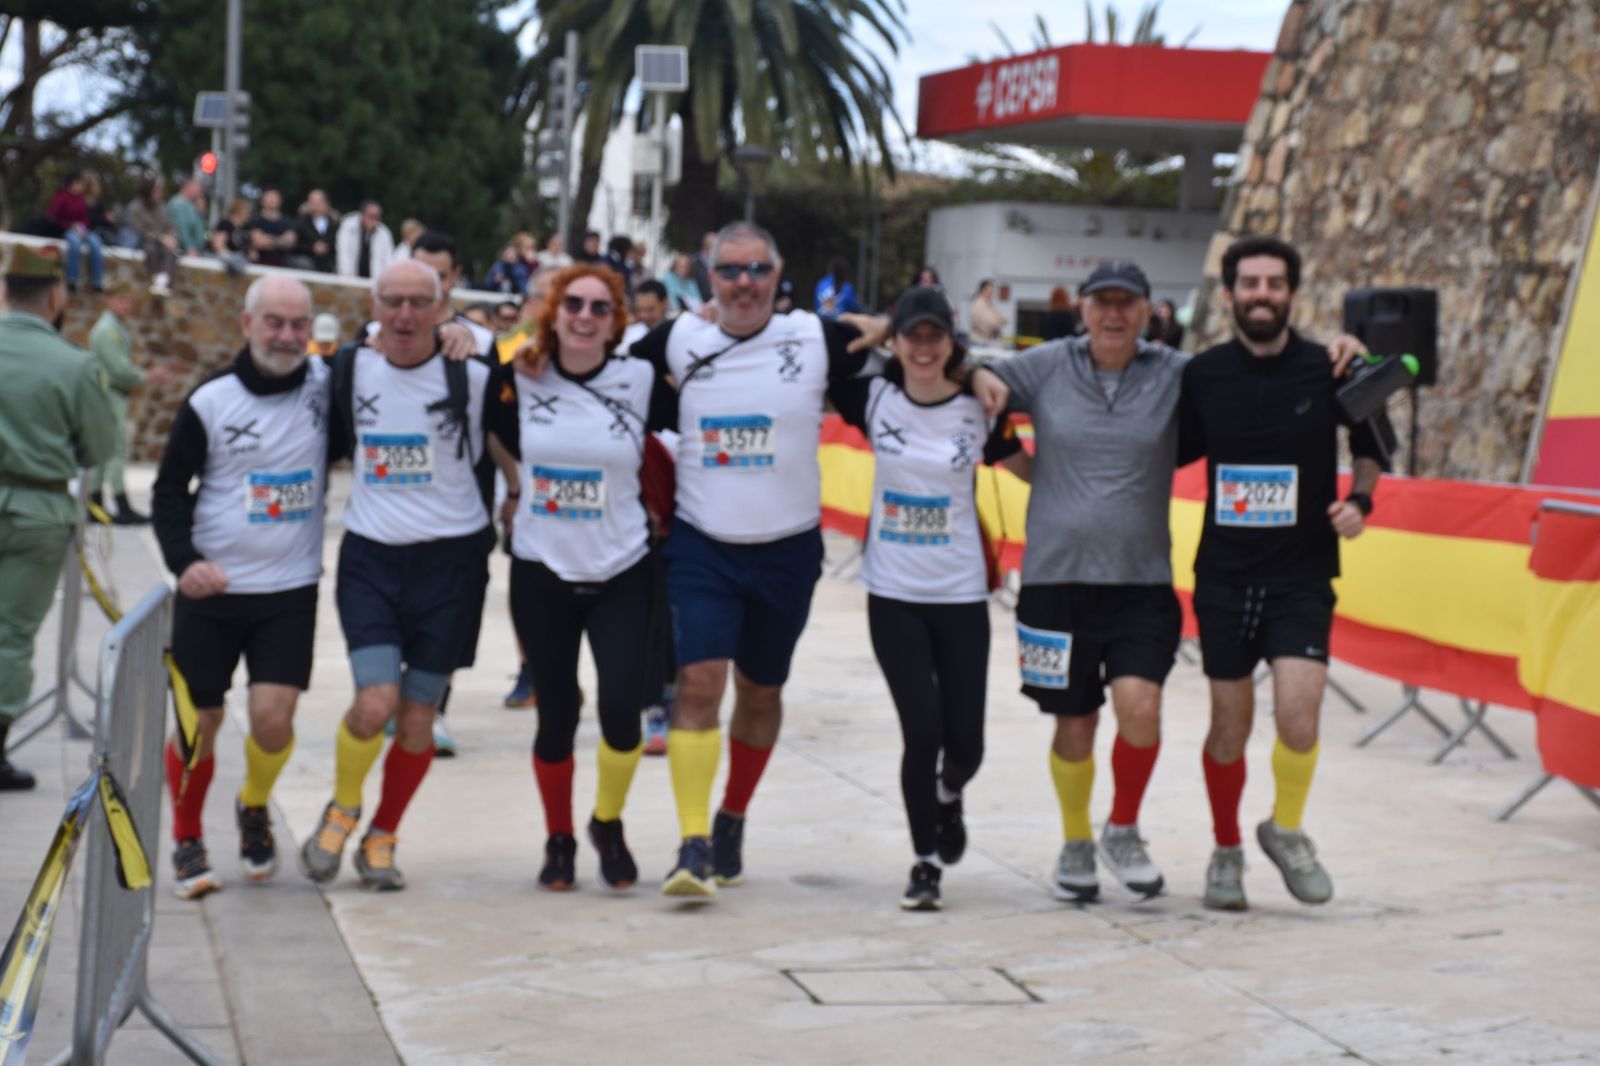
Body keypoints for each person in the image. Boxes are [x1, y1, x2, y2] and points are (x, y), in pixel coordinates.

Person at [626, 220, 883, 899]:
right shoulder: (678, 338)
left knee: (761, 691)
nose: (744, 284)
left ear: (779, 274)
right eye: (730, 271)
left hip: (788, 550)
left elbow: (916, 342)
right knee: (701, 683)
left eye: (756, 270)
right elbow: (588, 369)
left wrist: (965, 366)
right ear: (707, 278)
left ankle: (732, 814)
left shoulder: (815, 337)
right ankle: (692, 843)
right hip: (703, 545)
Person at [969, 261, 1187, 904]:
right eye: (1101, 303)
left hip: (1142, 580)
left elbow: (1244, 384)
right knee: (1075, 721)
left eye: (1127, 302)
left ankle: (1122, 828)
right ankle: (1075, 841)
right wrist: (1013, 448)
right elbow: (977, 380)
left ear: (1149, 312)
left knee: (1140, 708)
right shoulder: (1048, 364)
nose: (1113, 314)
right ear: (1082, 310)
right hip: (1055, 579)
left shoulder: (1174, 373)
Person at [1178, 236, 1383, 911]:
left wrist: (1360, 502)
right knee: (1228, 728)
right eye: (1249, 283)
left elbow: (1372, 445)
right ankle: (1226, 849)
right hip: (1225, 578)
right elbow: (1158, 451)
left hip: (1302, 576)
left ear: (1293, 293)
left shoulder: (1331, 368)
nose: (1261, 294)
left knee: (1300, 715)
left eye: (1273, 283)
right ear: (1231, 293)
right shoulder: (1203, 374)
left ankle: (1285, 829)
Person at [298, 260, 497, 891]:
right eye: (393, 301)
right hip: (373, 558)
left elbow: (547, 386)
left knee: (417, 720)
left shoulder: (475, 373)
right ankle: (343, 807)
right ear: (374, 306)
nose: (406, 315)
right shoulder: (347, 371)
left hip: (452, 565)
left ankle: (382, 834)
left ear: (443, 308)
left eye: (420, 302)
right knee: (375, 702)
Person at [829, 286, 1022, 910]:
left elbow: (1027, 466)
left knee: (966, 745)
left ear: (951, 342)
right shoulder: (874, 394)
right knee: (923, 729)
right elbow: (820, 341)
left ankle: (949, 795)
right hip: (894, 593)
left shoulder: (979, 405)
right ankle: (925, 862)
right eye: (911, 335)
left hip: (961, 594)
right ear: (897, 339)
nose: (921, 347)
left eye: (934, 336)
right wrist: (879, 325)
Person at [488, 264, 677, 890]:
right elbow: (487, 417)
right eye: (573, 304)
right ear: (553, 310)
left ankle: (607, 821)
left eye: (600, 307)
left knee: (623, 710)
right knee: (558, 713)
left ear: (616, 320)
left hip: (623, 566)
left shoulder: (642, 377)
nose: (585, 317)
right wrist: (516, 487)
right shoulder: (519, 372)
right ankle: (559, 839)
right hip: (542, 568)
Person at [150, 276, 329, 899]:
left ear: (312, 330)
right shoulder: (211, 401)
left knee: (273, 721)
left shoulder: (328, 388)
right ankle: (186, 834)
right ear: (247, 325)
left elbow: (394, 359)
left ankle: (253, 805)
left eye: (298, 324)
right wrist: (185, 562)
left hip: (290, 588)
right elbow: (168, 491)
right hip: (213, 592)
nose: (286, 335)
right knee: (200, 721)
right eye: (274, 322)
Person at [0, 245, 119, 790]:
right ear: (56, 295)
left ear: (5, 291)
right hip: (37, 508)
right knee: (11, 633)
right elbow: (98, 448)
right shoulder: (75, 364)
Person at [86, 282, 157, 525]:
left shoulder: (114, 328)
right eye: (123, 299)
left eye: (130, 301)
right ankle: (120, 504)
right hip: (110, 394)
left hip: (111, 394)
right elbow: (119, 371)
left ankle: (94, 503)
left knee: (107, 450)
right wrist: (146, 377)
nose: (127, 306)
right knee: (116, 450)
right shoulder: (108, 331)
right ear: (110, 299)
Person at [46, 171, 105, 293]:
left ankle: (97, 281)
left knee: (96, 242)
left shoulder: (81, 199)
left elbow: (85, 217)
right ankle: (72, 279)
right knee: (74, 243)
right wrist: (70, 226)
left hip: (81, 230)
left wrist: (82, 227)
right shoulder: (62, 197)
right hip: (66, 230)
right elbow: (53, 217)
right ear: (73, 183)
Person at [124, 176, 180, 297]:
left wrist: (171, 237)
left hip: (163, 243)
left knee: (170, 251)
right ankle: (156, 279)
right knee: (152, 249)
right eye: (156, 191)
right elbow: (138, 229)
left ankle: (162, 280)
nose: (159, 194)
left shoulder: (162, 207)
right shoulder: (135, 208)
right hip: (144, 242)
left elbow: (169, 226)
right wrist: (160, 238)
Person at [243, 187, 298, 269]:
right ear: (262, 200)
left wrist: (267, 239)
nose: (272, 200)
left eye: (274, 197)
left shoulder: (288, 221)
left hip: (284, 264)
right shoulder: (254, 220)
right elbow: (258, 242)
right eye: (269, 197)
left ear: (280, 200)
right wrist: (280, 241)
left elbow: (290, 242)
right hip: (259, 264)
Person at [337, 200, 395, 279]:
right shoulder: (348, 228)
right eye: (371, 216)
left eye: (377, 217)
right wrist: (347, 277)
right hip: (350, 278)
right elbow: (343, 254)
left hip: (374, 281)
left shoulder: (384, 234)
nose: (374, 220)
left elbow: (388, 261)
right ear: (362, 215)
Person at [294, 189, 339, 273]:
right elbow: (295, 244)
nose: (314, 204)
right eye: (311, 200)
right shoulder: (301, 222)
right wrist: (312, 248)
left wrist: (327, 247)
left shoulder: (334, 224)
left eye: (317, 201)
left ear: (325, 203)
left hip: (329, 264)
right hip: (307, 264)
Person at [621, 279, 669, 348]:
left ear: (664, 303)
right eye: (639, 309)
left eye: (651, 309)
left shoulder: (675, 335)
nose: (644, 316)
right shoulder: (629, 331)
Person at [168, 179, 209, 256]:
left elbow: (202, 230)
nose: (200, 193)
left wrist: (202, 213)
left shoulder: (192, 205)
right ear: (188, 188)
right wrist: (189, 247)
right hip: (185, 251)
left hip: (197, 250)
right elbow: (181, 227)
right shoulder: (178, 203)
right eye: (198, 190)